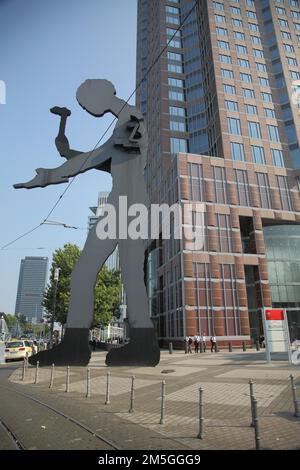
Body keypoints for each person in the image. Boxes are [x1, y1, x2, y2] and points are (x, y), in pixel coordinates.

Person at [15, 79, 160, 367]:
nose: (85, 108)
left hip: (127, 210)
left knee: (103, 273)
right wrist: (67, 152)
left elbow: (99, 156)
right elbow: (106, 158)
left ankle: (86, 345)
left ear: (99, 95)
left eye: (84, 102)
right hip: (125, 208)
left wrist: (48, 175)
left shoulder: (131, 118)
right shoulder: (127, 122)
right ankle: (94, 344)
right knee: (120, 274)